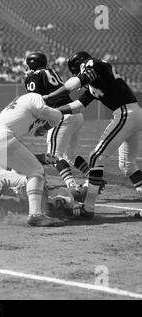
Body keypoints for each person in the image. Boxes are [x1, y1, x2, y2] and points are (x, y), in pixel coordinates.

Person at [42, 51, 142, 217]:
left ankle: (88, 208)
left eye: (75, 71)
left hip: (125, 113)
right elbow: (78, 106)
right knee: (127, 164)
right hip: (134, 112)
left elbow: (76, 82)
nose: (76, 74)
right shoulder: (96, 80)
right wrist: (54, 111)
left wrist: (50, 96)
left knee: (96, 157)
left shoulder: (91, 64)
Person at [0, 93, 65, 227]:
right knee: (36, 171)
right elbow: (48, 112)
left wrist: (44, 128)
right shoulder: (35, 96)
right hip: (0, 138)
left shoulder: (20, 106)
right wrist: (59, 114)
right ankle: (36, 215)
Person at [24, 52, 88, 190]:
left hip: (61, 114)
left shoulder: (35, 76)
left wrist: (33, 123)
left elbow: (34, 101)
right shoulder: (50, 72)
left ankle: (72, 186)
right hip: (74, 113)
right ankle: (94, 178)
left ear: (32, 64)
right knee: (69, 156)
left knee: (54, 156)